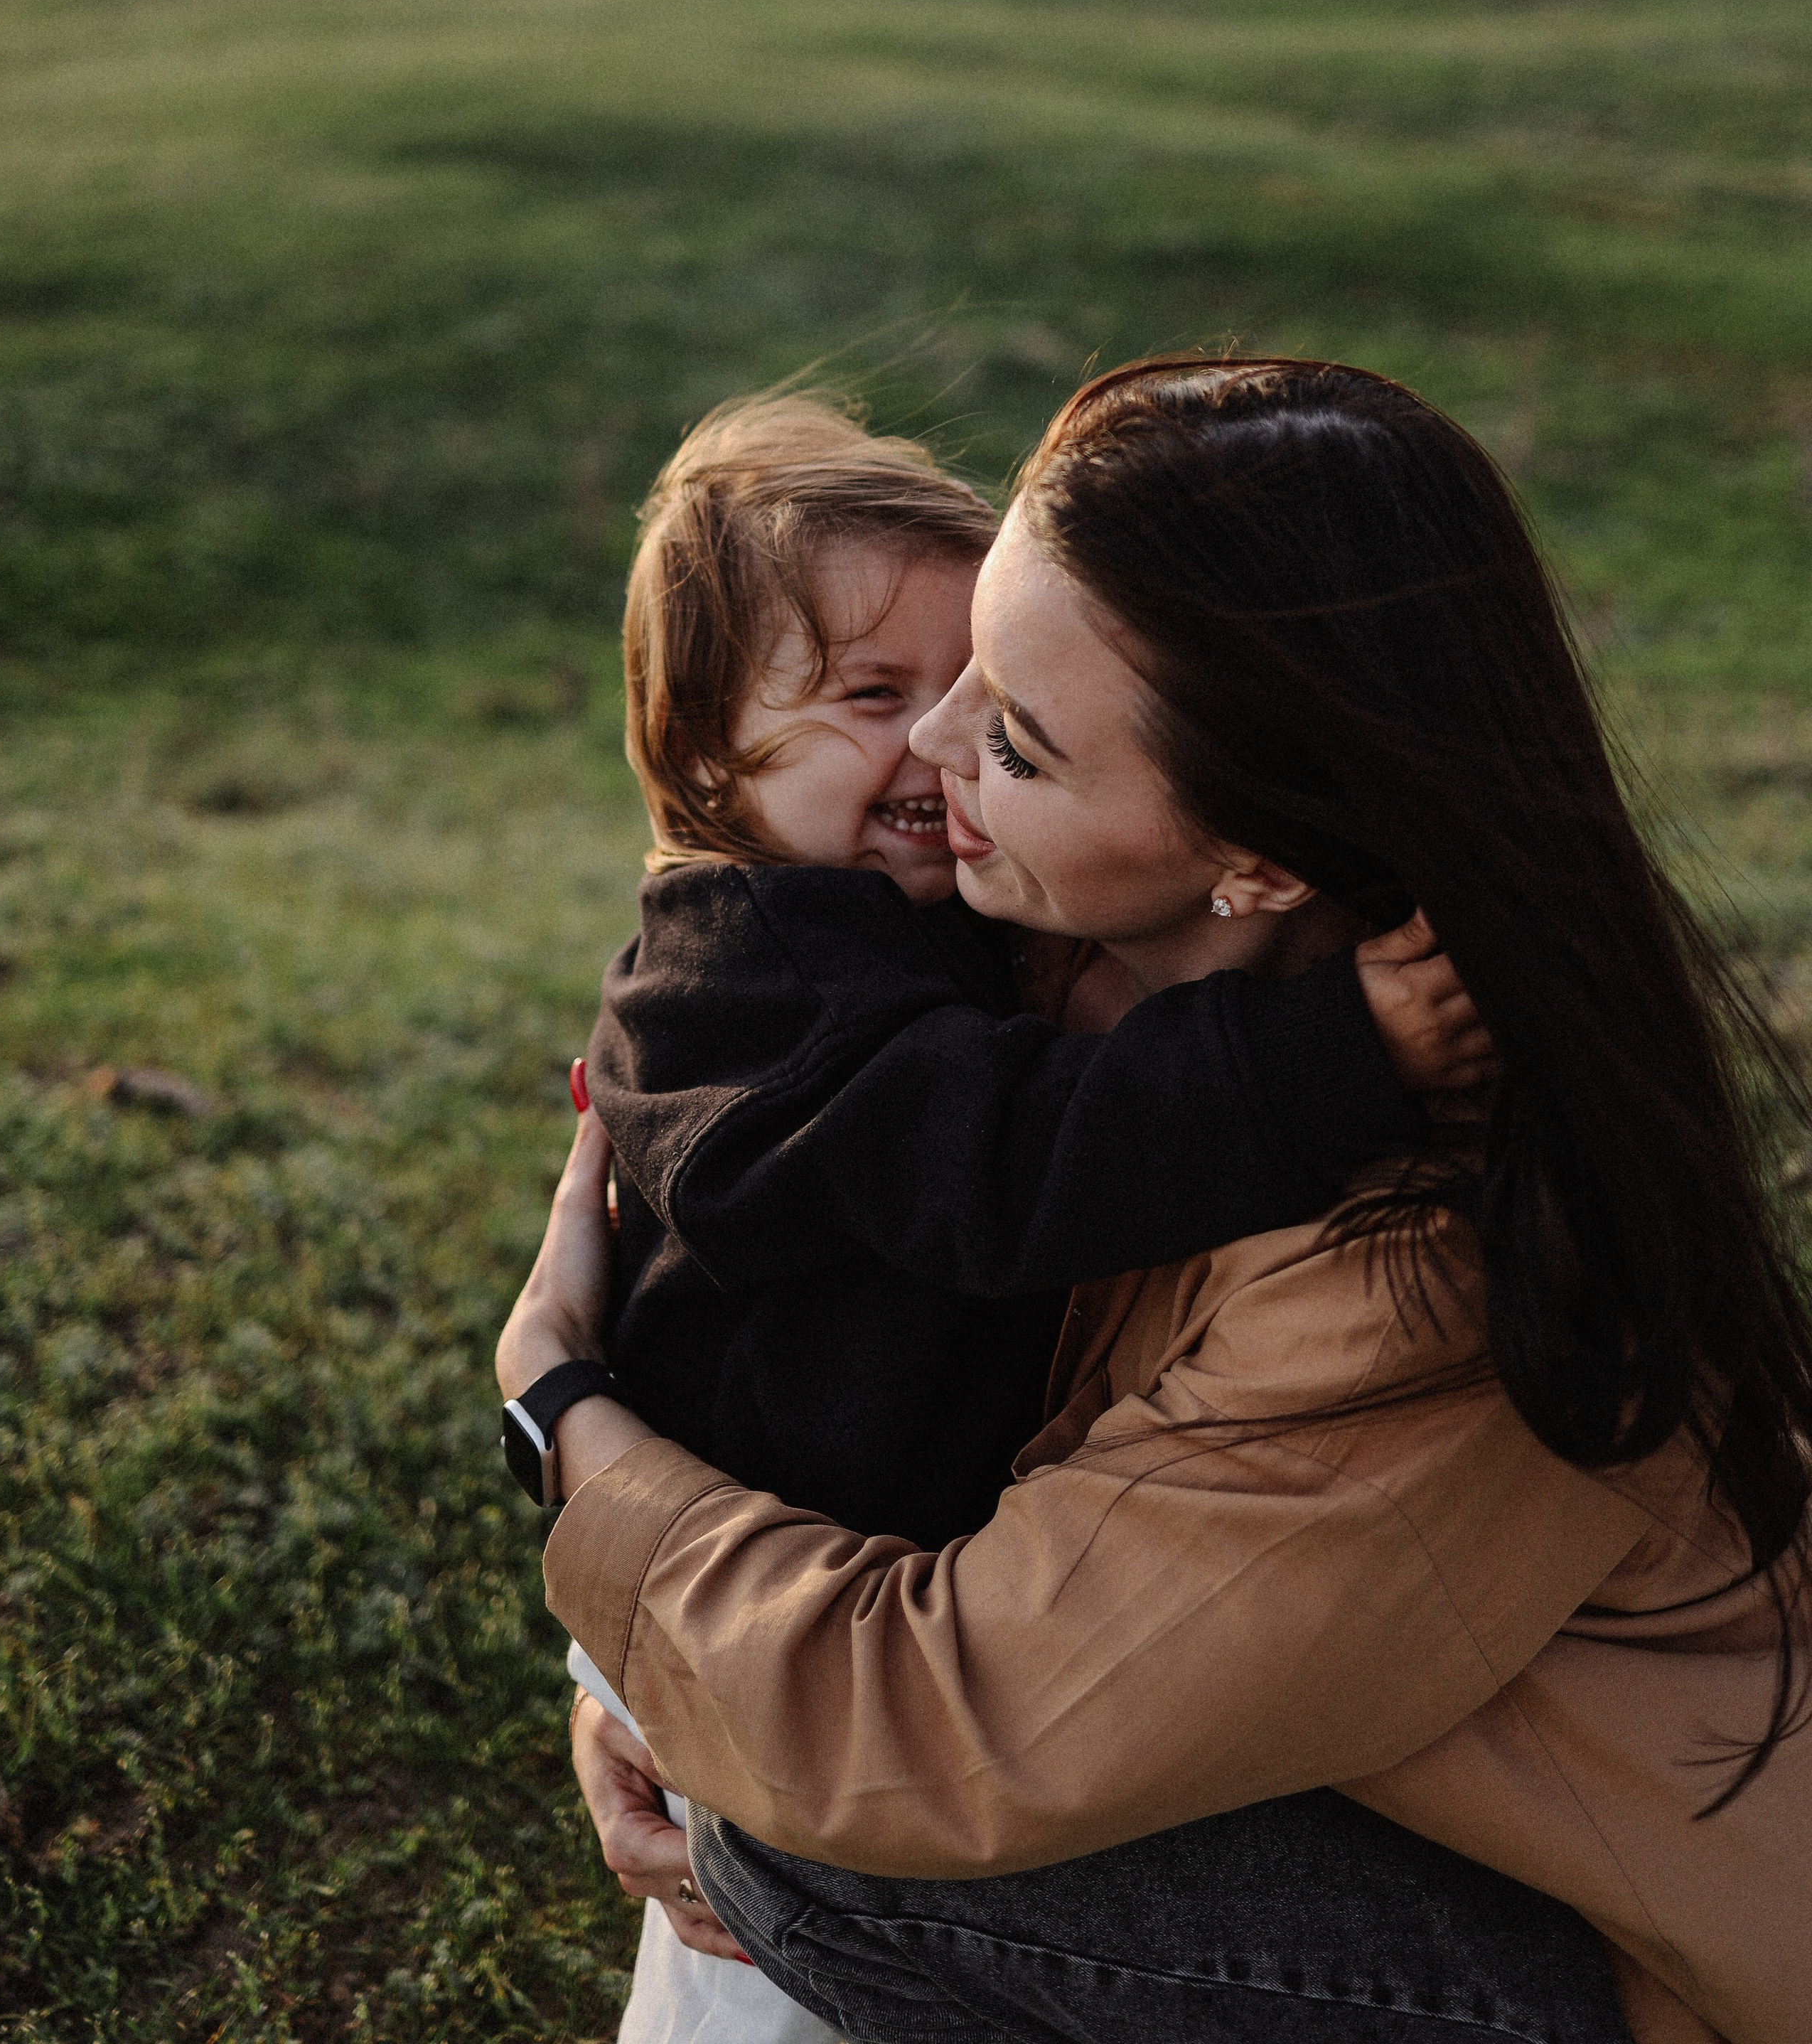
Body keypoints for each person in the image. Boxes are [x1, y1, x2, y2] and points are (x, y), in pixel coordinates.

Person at [502, 358, 1812, 2044]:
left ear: (1255, 861)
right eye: (956, 667)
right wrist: (639, 1679)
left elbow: (926, 1728)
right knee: (752, 1755)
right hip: (1310, 1757)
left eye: (1017, 737)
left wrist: (561, 1418)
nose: (938, 740)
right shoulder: (1038, 954)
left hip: (1612, 1977)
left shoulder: (1425, 1272)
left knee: (797, 1831)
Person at [552, 389, 1484, 2044]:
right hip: (770, 1591)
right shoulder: (749, 972)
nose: (930, 743)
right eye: (871, 696)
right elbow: (1002, 1159)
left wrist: (544, 1405)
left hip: (849, 1617)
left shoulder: (940, 935)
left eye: (991, 705)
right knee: (749, 1983)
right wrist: (1338, 1049)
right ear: (706, 755)